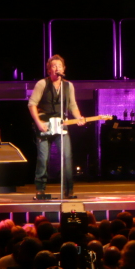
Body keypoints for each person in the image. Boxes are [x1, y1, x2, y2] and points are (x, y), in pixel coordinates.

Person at [28, 54, 85, 199]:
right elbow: (32, 104)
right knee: (43, 158)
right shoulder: (42, 84)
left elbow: (73, 106)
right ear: (49, 70)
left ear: (63, 69)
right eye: (54, 66)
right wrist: (39, 123)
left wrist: (79, 117)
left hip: (61, 124)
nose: (57, 68)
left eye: (59, 66)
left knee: (66, 157)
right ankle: (40, 190)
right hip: (44, 124)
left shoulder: (68, 86)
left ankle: (69, 190)